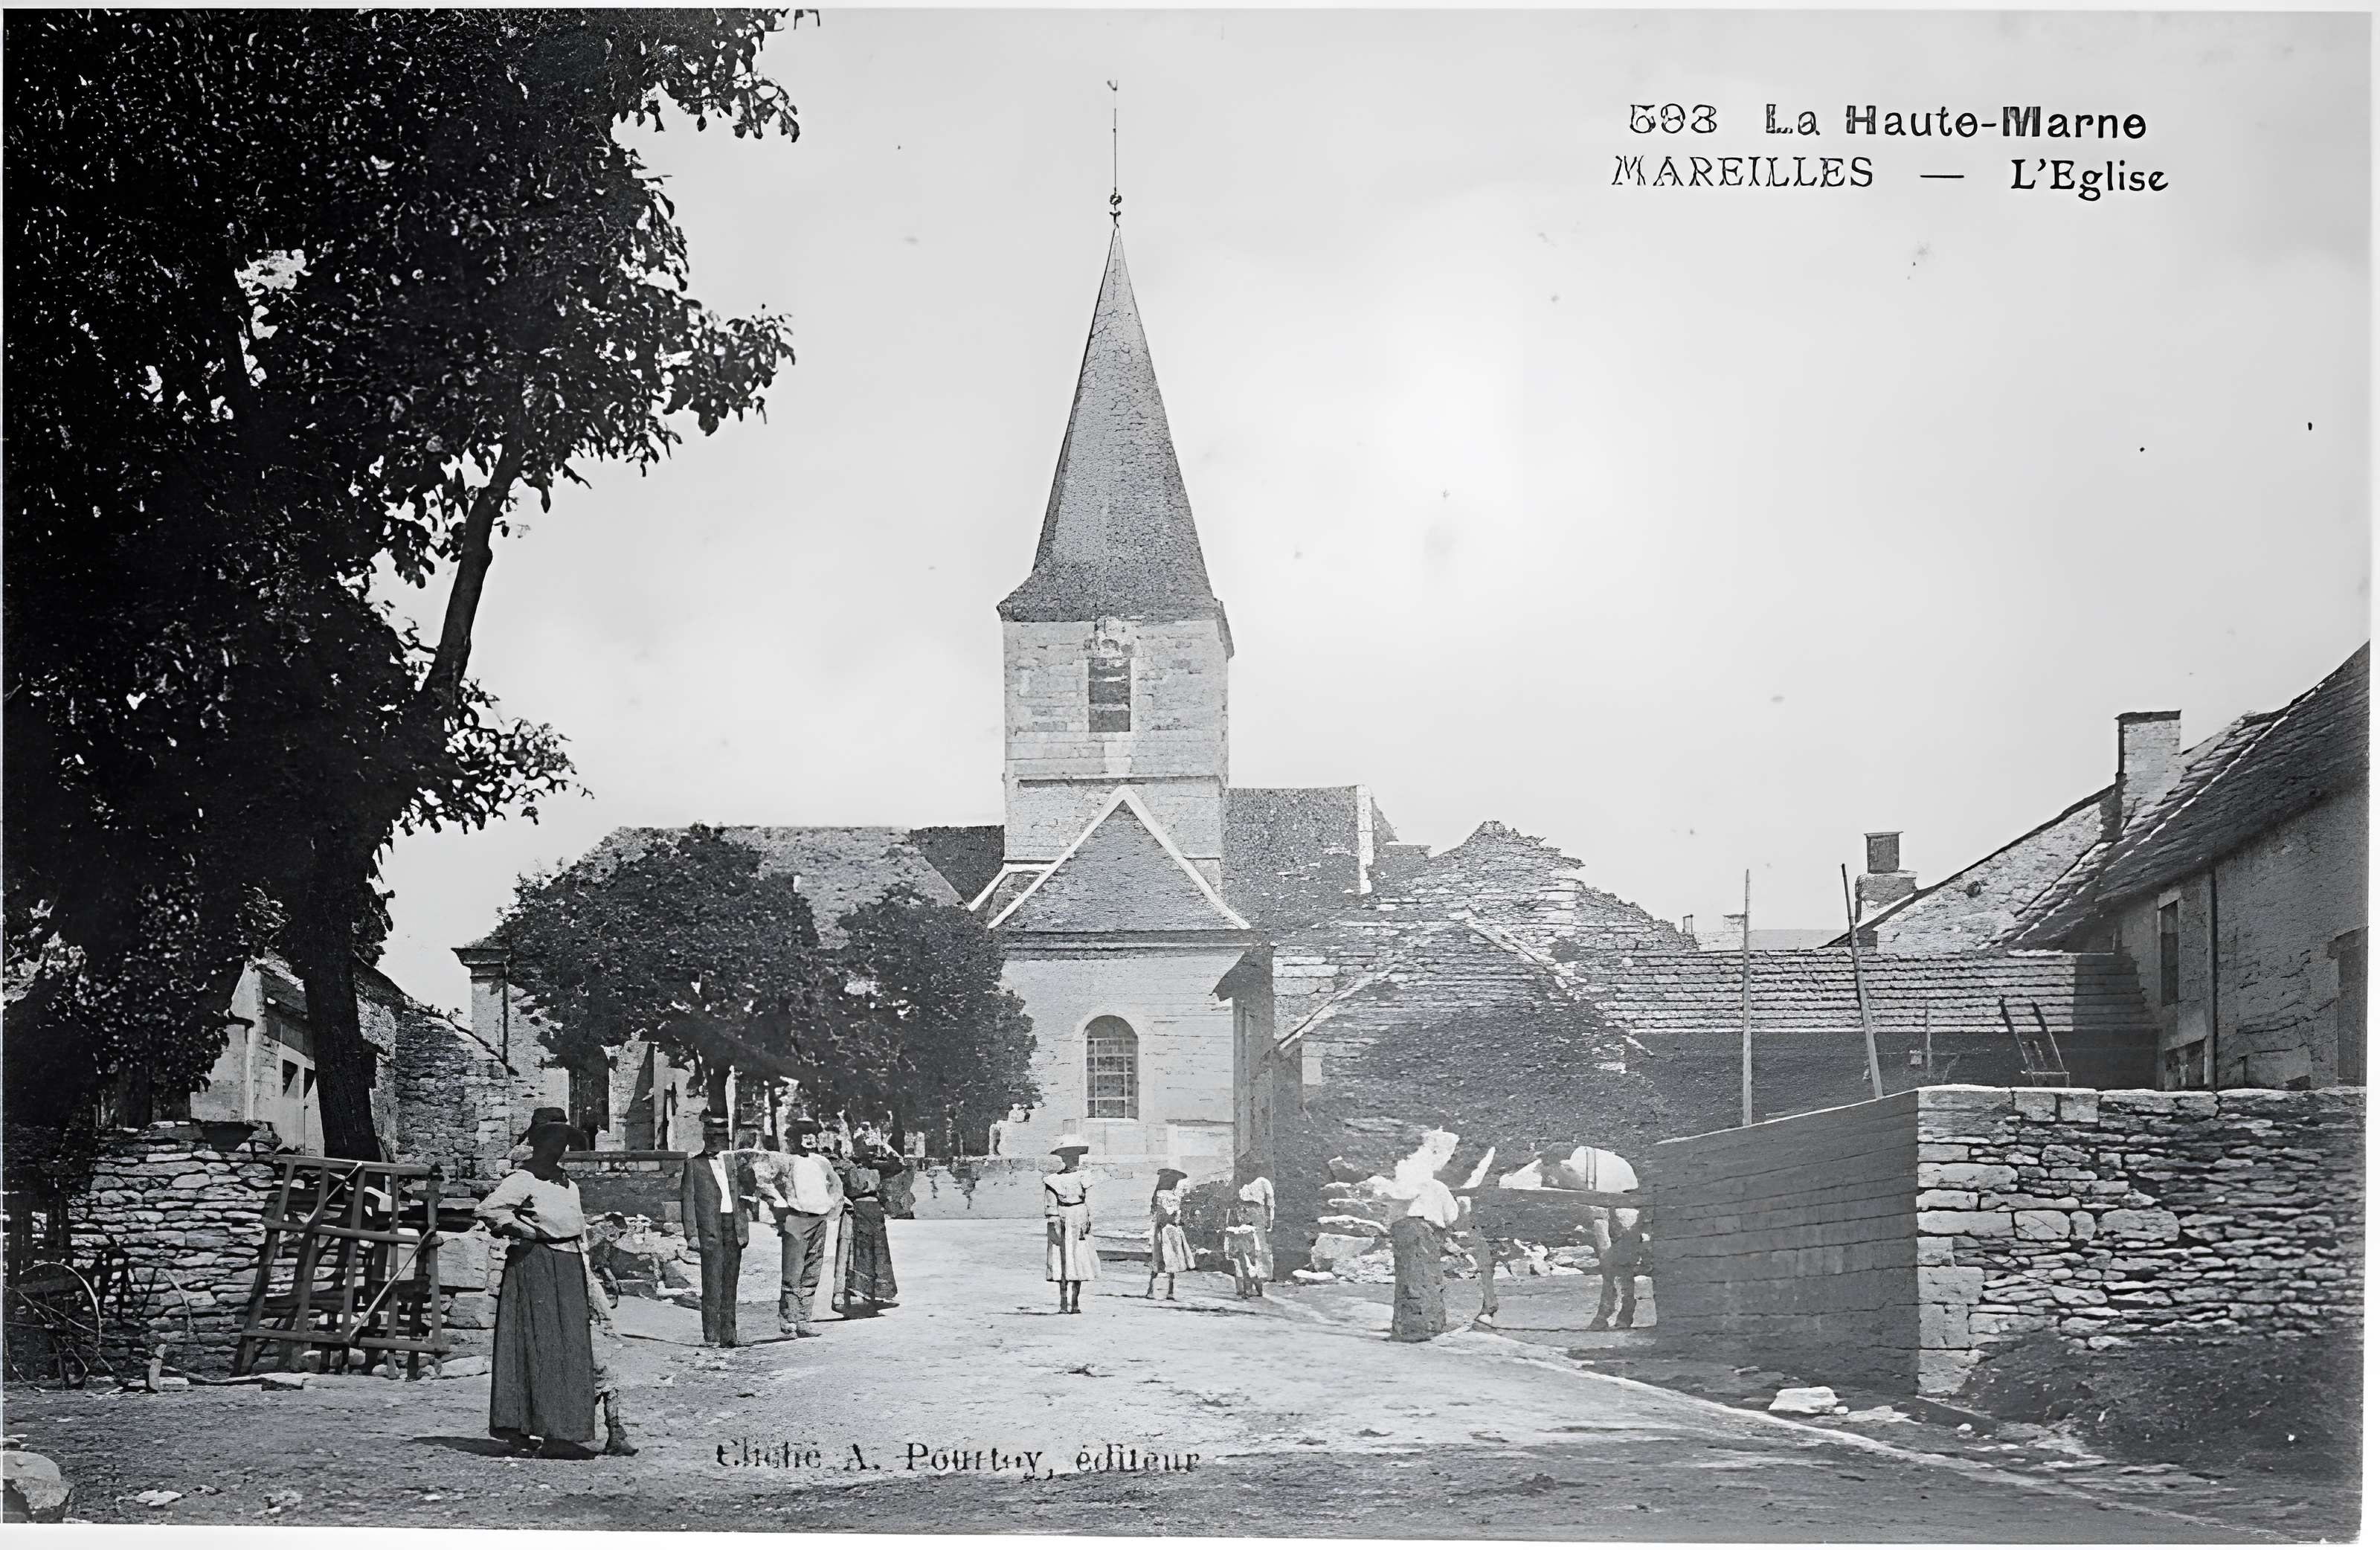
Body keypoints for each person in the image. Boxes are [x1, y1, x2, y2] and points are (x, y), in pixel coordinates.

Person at [476, 1118, 605, 1455]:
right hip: (536, 1264)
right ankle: (522, 1427)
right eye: (550, 1142)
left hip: (569, 1264)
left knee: (570, 1345)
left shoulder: (568, 1184)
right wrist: (528, 1232)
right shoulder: (522, 1179)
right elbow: (489, 1210)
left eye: (561, 1144)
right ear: (537, 1146)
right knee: (538, 1343)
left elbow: (575, 1228)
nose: (556, 1150)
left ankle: (563, 1431)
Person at [750, 1118, 843, 1337]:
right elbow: (762, 1179)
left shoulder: (822, 1162)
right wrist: (778, 1201)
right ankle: (789, 1321)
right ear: (795, 1139)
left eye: (813, 1135)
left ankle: (804, 1320)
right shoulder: (786, 1161)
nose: (810, 1139)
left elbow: (836, 1185)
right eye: (804, 1135)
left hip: (819, 1220)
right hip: (796, 1220)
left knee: (812, 1272)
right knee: (793, 1273)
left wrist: (830, 1205)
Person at [677, 1115, 749, 1348]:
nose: (717, 1141)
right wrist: (692, 1235)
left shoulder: (734, 1164)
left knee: (730, 1283)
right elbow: (688, 1201)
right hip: (710, 1229)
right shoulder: (694, 1165)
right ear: (705, 1137)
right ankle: (712, 1336)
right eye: (713, 1136)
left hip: (733, 1227)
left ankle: (729, 1336)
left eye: (721, 1137)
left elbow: (743, 1196)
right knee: (712, 1282)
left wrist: (744, 1228)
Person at [832, 1128, 905, 1317]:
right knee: (857, 1255)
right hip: (856, 1212)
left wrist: (885, 1146)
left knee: (877, 1255)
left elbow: (899, 1165)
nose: (871, 1153)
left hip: (874, 1213)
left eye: (873, 1150)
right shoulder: (846, 1167)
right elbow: (834, 1184)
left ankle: (875, 1295)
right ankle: (855, 1297)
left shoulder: (877, 1168)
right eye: (867, 1149)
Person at [1390, 1174, 1461, 1343]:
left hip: (1402, 1230)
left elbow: (1391, 1212)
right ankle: (1428, 1326)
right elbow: (1451, 1215)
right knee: (1428, 1278)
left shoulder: (1403, 1183)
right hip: (1426, 1230)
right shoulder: (1438, 1186)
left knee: (1407, 1279)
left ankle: (1405, 1326)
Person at [1043, 1136, 1097, 1313]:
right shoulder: (1053, 1180)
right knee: (1062, 1259)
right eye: (1069, 1157)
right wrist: (1054, 1221)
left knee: (1079, 1258)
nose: (1073, 1160)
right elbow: (1051, 1205)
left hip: (1079, 1218)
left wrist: (1087, 1219)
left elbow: (1088, 1201)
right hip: (1062, 1217)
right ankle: (1063, 1302)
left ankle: (1075, 1302)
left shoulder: (1084, 1176)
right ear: (1063, 1158)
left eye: (1075, 1157)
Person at [1589, 1207, 1647, 1331]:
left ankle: (1614, 1316)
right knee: (1620, 1280)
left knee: (1621, 1280)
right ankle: (1616, 1316)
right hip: (1622, 1251)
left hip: (1625, 1250)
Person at [1145, 1168, 1194, 1301]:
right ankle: (1169, 1292)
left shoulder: (1159, 1196)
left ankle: (1152, 1290)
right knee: (1170, 1261)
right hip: (1169, 1231)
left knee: (1160, 1261)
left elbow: (1159, 1216)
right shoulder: (1167, 1196)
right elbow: (1169, 1216)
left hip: (1163, 1231)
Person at [1224, 1175, 1275, 1298]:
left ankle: (1249, 1289)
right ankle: (1246, 1289)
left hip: (1247, 1239)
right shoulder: (1245, 1209)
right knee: (1244, 1264)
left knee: (1247, 1265)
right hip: (1242, 1239)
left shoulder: (1250, 1210)